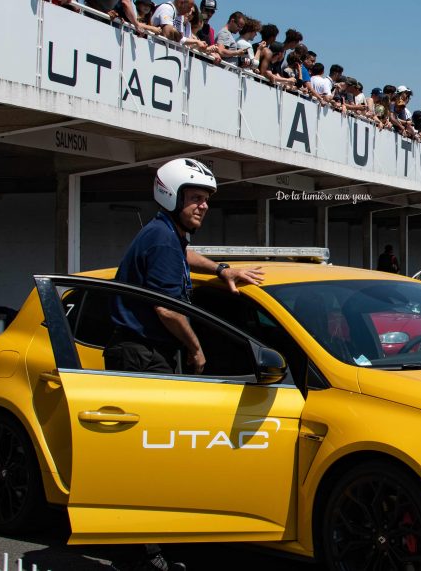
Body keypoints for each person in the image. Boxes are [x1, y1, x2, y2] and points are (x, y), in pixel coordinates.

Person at [107, 158, 263, 571]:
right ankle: (145, 554)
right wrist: (196, 351)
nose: (203, 207)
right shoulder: (160, 239)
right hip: (141, 355)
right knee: (152, 459)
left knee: (154, 456)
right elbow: (168, 310)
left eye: (207, 200)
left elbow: (186, 255)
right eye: (195, 198)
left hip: (146, 353)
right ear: (171, 197)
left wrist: (224, 269)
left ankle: (149, 542)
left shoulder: (166, 234)